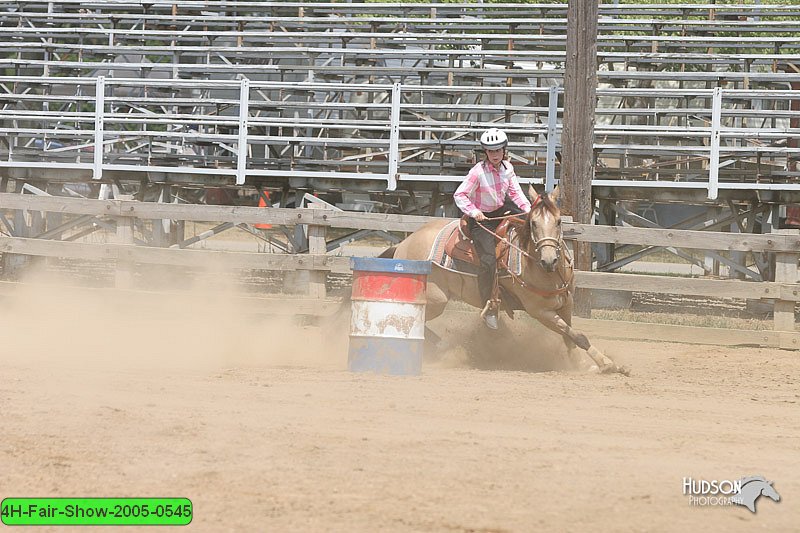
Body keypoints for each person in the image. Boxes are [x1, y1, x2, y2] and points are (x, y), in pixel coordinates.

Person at [453, 128, 531, 330]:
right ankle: (489, 306)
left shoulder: (508, 169)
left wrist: (529, 211)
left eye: (498, 150)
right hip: (482, 219)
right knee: (488, 260)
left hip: (500, 211)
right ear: (485, 153)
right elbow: (459, 195)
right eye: (490, 151)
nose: (495, 154)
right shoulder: (478, 171)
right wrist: (473, 212)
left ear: (504, 150)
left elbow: (516, 193)